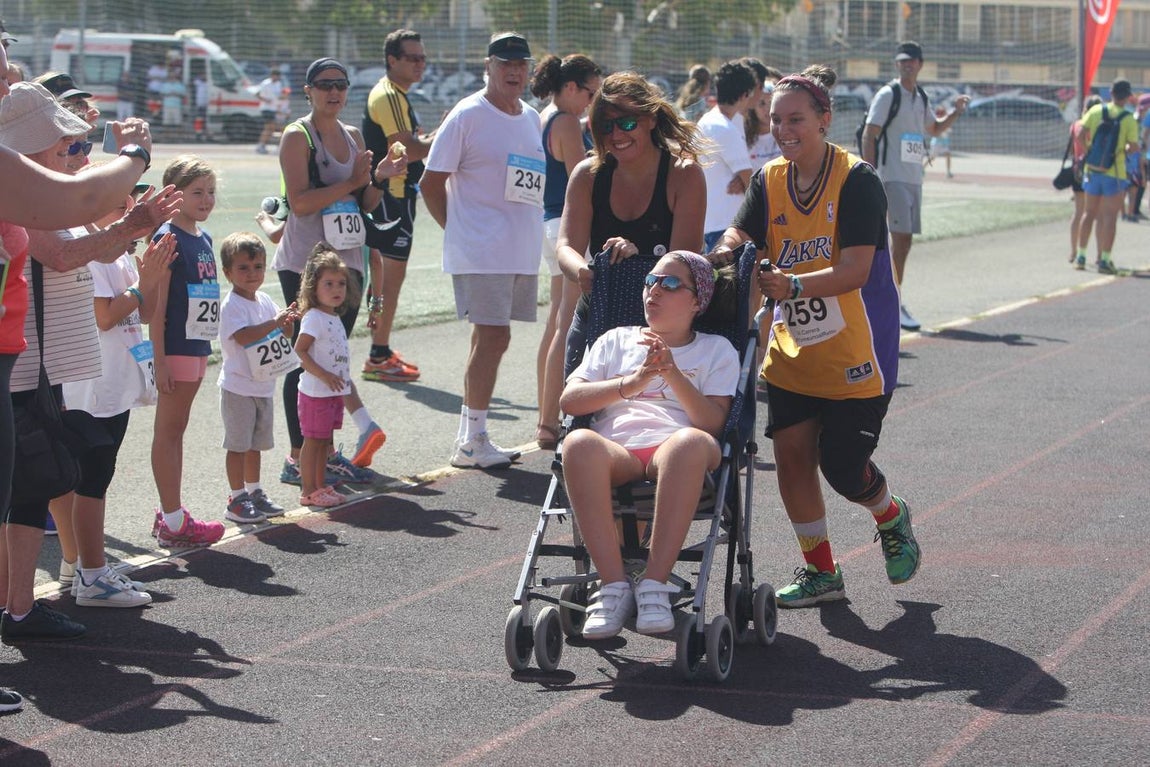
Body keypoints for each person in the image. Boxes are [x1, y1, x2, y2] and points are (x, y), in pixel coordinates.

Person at [713, 65, 919, 608]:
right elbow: (745, 229)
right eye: (775, 118)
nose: (783, 129)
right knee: (793, 459)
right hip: (793, 354)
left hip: (858, 353)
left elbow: (854, 269)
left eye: (796, 119)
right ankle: (820, 570)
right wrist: (723, 250)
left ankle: (890, 513)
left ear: (825, 121)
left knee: (844, 469)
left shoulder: (858, 181)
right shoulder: (769, 178)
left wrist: (793, 283)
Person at [0, 83, 178, 643]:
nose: (77, 155)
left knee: (31, 489)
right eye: (67, 145)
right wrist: (131, 216)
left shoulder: (35, 188)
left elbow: (80, 230)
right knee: (28, 487)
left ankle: (21, 609)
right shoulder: (24, 193)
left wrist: (129, 222)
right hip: (26, 363)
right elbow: (64, 252)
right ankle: (25, 606)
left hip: (39, 364)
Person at [561, 251, 739, 638]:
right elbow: (570, 401)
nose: (654, 290)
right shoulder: (614, 340)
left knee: (688, 442)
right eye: (650, 281)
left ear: (697, 301)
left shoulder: (716, 350)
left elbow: (713, 423)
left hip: (680, 449)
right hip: (617, 451)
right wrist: (633, 383)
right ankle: (613, 587)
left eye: (670, 283)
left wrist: (670, 371)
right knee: (577, 444)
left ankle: (655, 584)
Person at [272, 57, 401, 485]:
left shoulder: (353, 135)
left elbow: (363, 204)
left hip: (346, 264)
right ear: (307, 90)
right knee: (304, 359)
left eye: (341, 85)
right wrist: (351, 183)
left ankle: (323, 453)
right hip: (305, 267)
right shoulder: (298, 137)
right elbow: (302, 202)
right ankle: (298, 457)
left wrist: (378, 178)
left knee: (334, 355)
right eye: (325, 84)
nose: (334, 92)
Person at [421, 31, 544, 469]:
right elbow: (430, 183)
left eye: (521, 63)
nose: (514, 70)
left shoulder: (530, 117)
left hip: (518, 248)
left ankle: (468, 437)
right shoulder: (467, 115)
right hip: (483, 249)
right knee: (495, 336)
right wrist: (460, 231)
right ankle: (473, 440)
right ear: (487, 67)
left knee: (489, 337)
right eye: (504, 63)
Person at [55, 193, 176, 609]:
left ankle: (80, 565)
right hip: (92, 387)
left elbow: (142, 314)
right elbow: (104, 316)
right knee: (88, 479)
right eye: (121, 207)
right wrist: (143, 287)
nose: (130, 214)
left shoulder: (119, 255)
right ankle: (90, 573)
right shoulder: (91, 254)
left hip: (116, 384)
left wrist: (152, 281)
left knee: (90, 477)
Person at [556, 71, 708, 378]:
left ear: (651, 119)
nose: (616, 135)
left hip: (662, 326)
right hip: (599, 311)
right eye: (605, 126)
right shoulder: (588, 175)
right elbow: (565, 247)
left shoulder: (684, 175)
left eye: (627, 123)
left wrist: (636, 259)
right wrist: (583, 273)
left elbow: (682, 267)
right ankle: (548, 426)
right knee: (576, 417)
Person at [149, 155, 229, 548]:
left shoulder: (203, 238)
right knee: (168, 431)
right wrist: (159, 359)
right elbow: (157, 306)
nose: (206, 199)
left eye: (210, 192)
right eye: (197, 192)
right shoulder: (167, 237)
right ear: (174, 194)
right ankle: (173, 521)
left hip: (197, 346)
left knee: (177, 432)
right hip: (176, 347)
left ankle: (172, 514)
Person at [861, 41, 969, 331]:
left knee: (904, 242)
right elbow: (870, 134)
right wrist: (870, 174)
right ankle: (890, 300)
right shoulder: (888, 94)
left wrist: (956, 112)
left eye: (912, 61)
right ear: (897, 65)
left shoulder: (920, 96)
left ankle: (891, 296)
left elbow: (933, 129)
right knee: (898, 238)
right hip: (891, 176)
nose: (907, 65)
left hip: (913, 177)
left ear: (920, 64)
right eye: (902, 61)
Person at [531, 52, 602, 451]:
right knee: (566, 322)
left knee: (556, 319)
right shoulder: (566, 121)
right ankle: (547, 421)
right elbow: (583, 176)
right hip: (566, 224)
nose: (591, 101)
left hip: (549, 222)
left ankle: (545, 416)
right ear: (571, 87)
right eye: (590, 92)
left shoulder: (546, 115)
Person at [361, 29, 434, 384]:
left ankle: (380, 348)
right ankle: (376, 353)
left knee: (391, 277)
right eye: (413, 58)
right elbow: (406, 148)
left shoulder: (399, 96)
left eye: (423, 58)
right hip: (390, 195)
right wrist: (445, 132)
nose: (421, 64)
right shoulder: (388, 95)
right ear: (393, 60)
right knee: (387, 278)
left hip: (399, 195)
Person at [217, 232, 299, 523]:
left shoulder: (264, 300)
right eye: (243, 268)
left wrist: (287, 323)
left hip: (264, 385)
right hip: (239, 387)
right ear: (228, 273)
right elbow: (243, 337)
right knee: (238, 445)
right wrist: (274, 324)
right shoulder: (231, 305)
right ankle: (236, 498)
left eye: (258, 267)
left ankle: (254, 492)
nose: (252, 274)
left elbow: (283, 333)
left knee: (255, 445)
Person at [293, 244, 358, 508]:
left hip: (332, 392)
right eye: (328, 284)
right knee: (313, 441)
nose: (336, 289)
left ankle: (320, 485)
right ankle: (308, 489)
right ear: (314, 287)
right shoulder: (314, 318)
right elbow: (300, 351)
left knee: (323, 441)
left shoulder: (333, 317)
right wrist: (324, 375)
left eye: (341, 284)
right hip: (316, 392)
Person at [1074, 78, 1140, 274]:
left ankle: (1081, 256)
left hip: (1093, 170)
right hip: (1115, 172)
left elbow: (1079, 133)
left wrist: (1089, 150)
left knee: (1088, 214)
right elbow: (1133, 147)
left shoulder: (1095, 111)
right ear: (1127, 97)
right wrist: (1122, 151)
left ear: (1110, 93)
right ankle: (1104, 259)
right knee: (1110, 216)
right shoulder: (1128, 118)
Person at [698, 60, 757, 251]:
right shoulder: (724, 129)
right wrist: (745, 181)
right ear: (744, 95)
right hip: (724, 230)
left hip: (712, 226)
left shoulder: (710, 121)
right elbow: (750, 181)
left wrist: (742, 180)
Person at [1068, 95, 1102, 264]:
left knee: (1078, 213)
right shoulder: (1097, 125)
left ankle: (1074, 251)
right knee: (1096, 214)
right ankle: (1099, 255)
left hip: (1077, 171)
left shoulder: (1075, 125)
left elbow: (1073, 150)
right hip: (1093, 170)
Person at [746, 84, 781, 167]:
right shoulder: (743, 137)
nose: (768, 109)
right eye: (762, 103)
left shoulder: (787, 134)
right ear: (753, 107)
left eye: (771, 102)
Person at [256, 69, 284, 154]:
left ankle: (262, 145)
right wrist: (266, 100)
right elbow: (257, 94)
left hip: (274, 109)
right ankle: (261, 146)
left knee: (270, 128)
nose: (277, 77)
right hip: (266, 109)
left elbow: (278, 96)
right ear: (272, 75)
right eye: (275, 75)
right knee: (270, 127)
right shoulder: (265, 83)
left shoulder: (279, 84)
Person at [929, 106, 953, 178]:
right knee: (932, 157)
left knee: (948, 154)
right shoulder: (937, 120)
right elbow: (940, 131)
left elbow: (948, 130)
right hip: (936, 143)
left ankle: (948, 172)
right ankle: (922, 169)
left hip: (943, 143)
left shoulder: (945, 121)